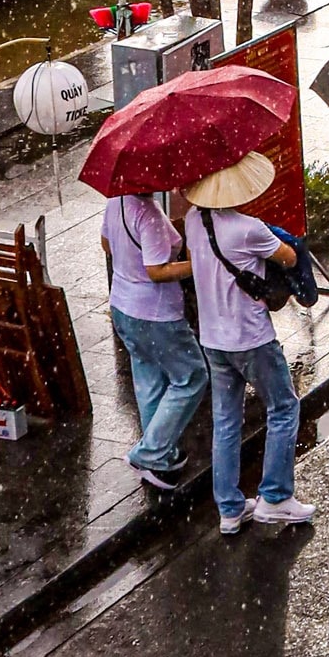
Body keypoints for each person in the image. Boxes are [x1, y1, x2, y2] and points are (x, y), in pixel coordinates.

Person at [183, 150, 313, 535]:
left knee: (226, 421)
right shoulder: (248, 229)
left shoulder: (194, 221)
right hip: (251, 338)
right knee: (284, 407)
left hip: (213, 339)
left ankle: (229, 508)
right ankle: (275, 498)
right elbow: (289, 258)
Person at [101, 189, 208, 491]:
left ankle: (161, 458)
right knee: (192, 376)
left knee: (149, 380)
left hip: (123, 306)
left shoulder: (116, 202)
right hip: (155, 313)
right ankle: (148, 452)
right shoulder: (148, 214)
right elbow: (157, 271)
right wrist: (201, 266)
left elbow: (106, 244)